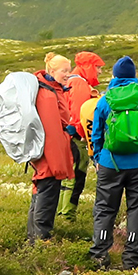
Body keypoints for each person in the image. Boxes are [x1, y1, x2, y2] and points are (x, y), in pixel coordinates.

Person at [86, 56, 138, 269]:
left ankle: (100, 255)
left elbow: (96, 135)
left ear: (114, 76)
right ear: (134, 76)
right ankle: (131, 259)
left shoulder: (104, 100)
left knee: (104, 209)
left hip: (110, 164)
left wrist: (98, 159)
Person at [28, 58, 77, 241]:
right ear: (52, 70)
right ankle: (40, 243)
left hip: (44, 156)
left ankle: (32, 241)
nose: (67, 74)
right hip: (50, 157)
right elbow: (51, 132)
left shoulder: (49, 89)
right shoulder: (48, 95)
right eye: (64, 70)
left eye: (69, 70)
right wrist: (58, 166)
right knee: (46, 199)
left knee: (39, 194)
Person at [59, 52, 102, 219]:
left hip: (66, 137)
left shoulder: (70, 80)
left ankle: (62, 214)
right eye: (97, 67)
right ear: (88, 66)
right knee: (76, 177)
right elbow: (79, 114)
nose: (99, 72)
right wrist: (84, 136)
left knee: (67, 177)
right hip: (76, 139)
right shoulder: (79, 83)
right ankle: (67, 217)